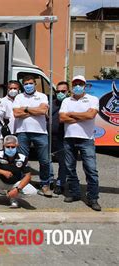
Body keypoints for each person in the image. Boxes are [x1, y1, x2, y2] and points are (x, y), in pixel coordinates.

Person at [59, 75, 101, 211]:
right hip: (69, 138)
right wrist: (82, 115)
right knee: (70, 168)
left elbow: (90, 116)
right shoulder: (66, 100)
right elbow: (62, 118)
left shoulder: (93, 99)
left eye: (80, 83)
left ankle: (93, 198)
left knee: (91, 170)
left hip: (87, 139)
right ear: (72, 85)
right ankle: (75, 193)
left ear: (85, 85)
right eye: (75, 83)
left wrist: (71, 114)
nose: (77, 86)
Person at [13, 75, 51, 197]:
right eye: (26, 84)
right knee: (22, 160)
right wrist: (35, 111)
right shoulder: (19, 97)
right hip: (22, 132)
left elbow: (42, 111)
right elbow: (16, 114)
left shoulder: (42, 96)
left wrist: (26, 108)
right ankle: (23, 184)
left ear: (35, 84)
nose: (28, 86)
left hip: (40, 132)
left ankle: (45, 184)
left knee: (44, 160)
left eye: (30, 83)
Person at [0, 135, 34, 211]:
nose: (10, 149)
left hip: (15, 184)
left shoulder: (22, 157)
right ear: (4, 146)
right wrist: (3, 172)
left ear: (17, 146)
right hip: (0, 182)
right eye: (8, 147)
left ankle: (13, 197)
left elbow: (28, 176)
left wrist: (17, 190)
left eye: (13, 147)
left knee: (32, 191)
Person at [50, 81, 68, 195]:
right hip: (50, 136)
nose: (60, 93)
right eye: (58, 91)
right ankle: (50, 181)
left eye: (63, 91)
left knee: (63, 162)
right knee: (47, 160)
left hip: (64, 137)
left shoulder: (70, 103)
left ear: (68, 92)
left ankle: (60, 184)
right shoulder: (51, 103)